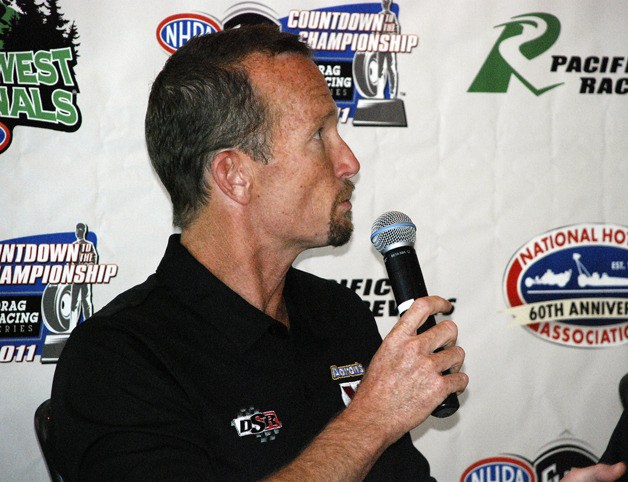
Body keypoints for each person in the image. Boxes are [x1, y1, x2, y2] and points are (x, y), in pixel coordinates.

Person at [49, 25, 622, 482]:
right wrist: (372, 418)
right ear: (234, 175)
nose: (349, 162)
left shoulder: (335, 313)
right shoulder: (118, 360)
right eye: (319, 136)